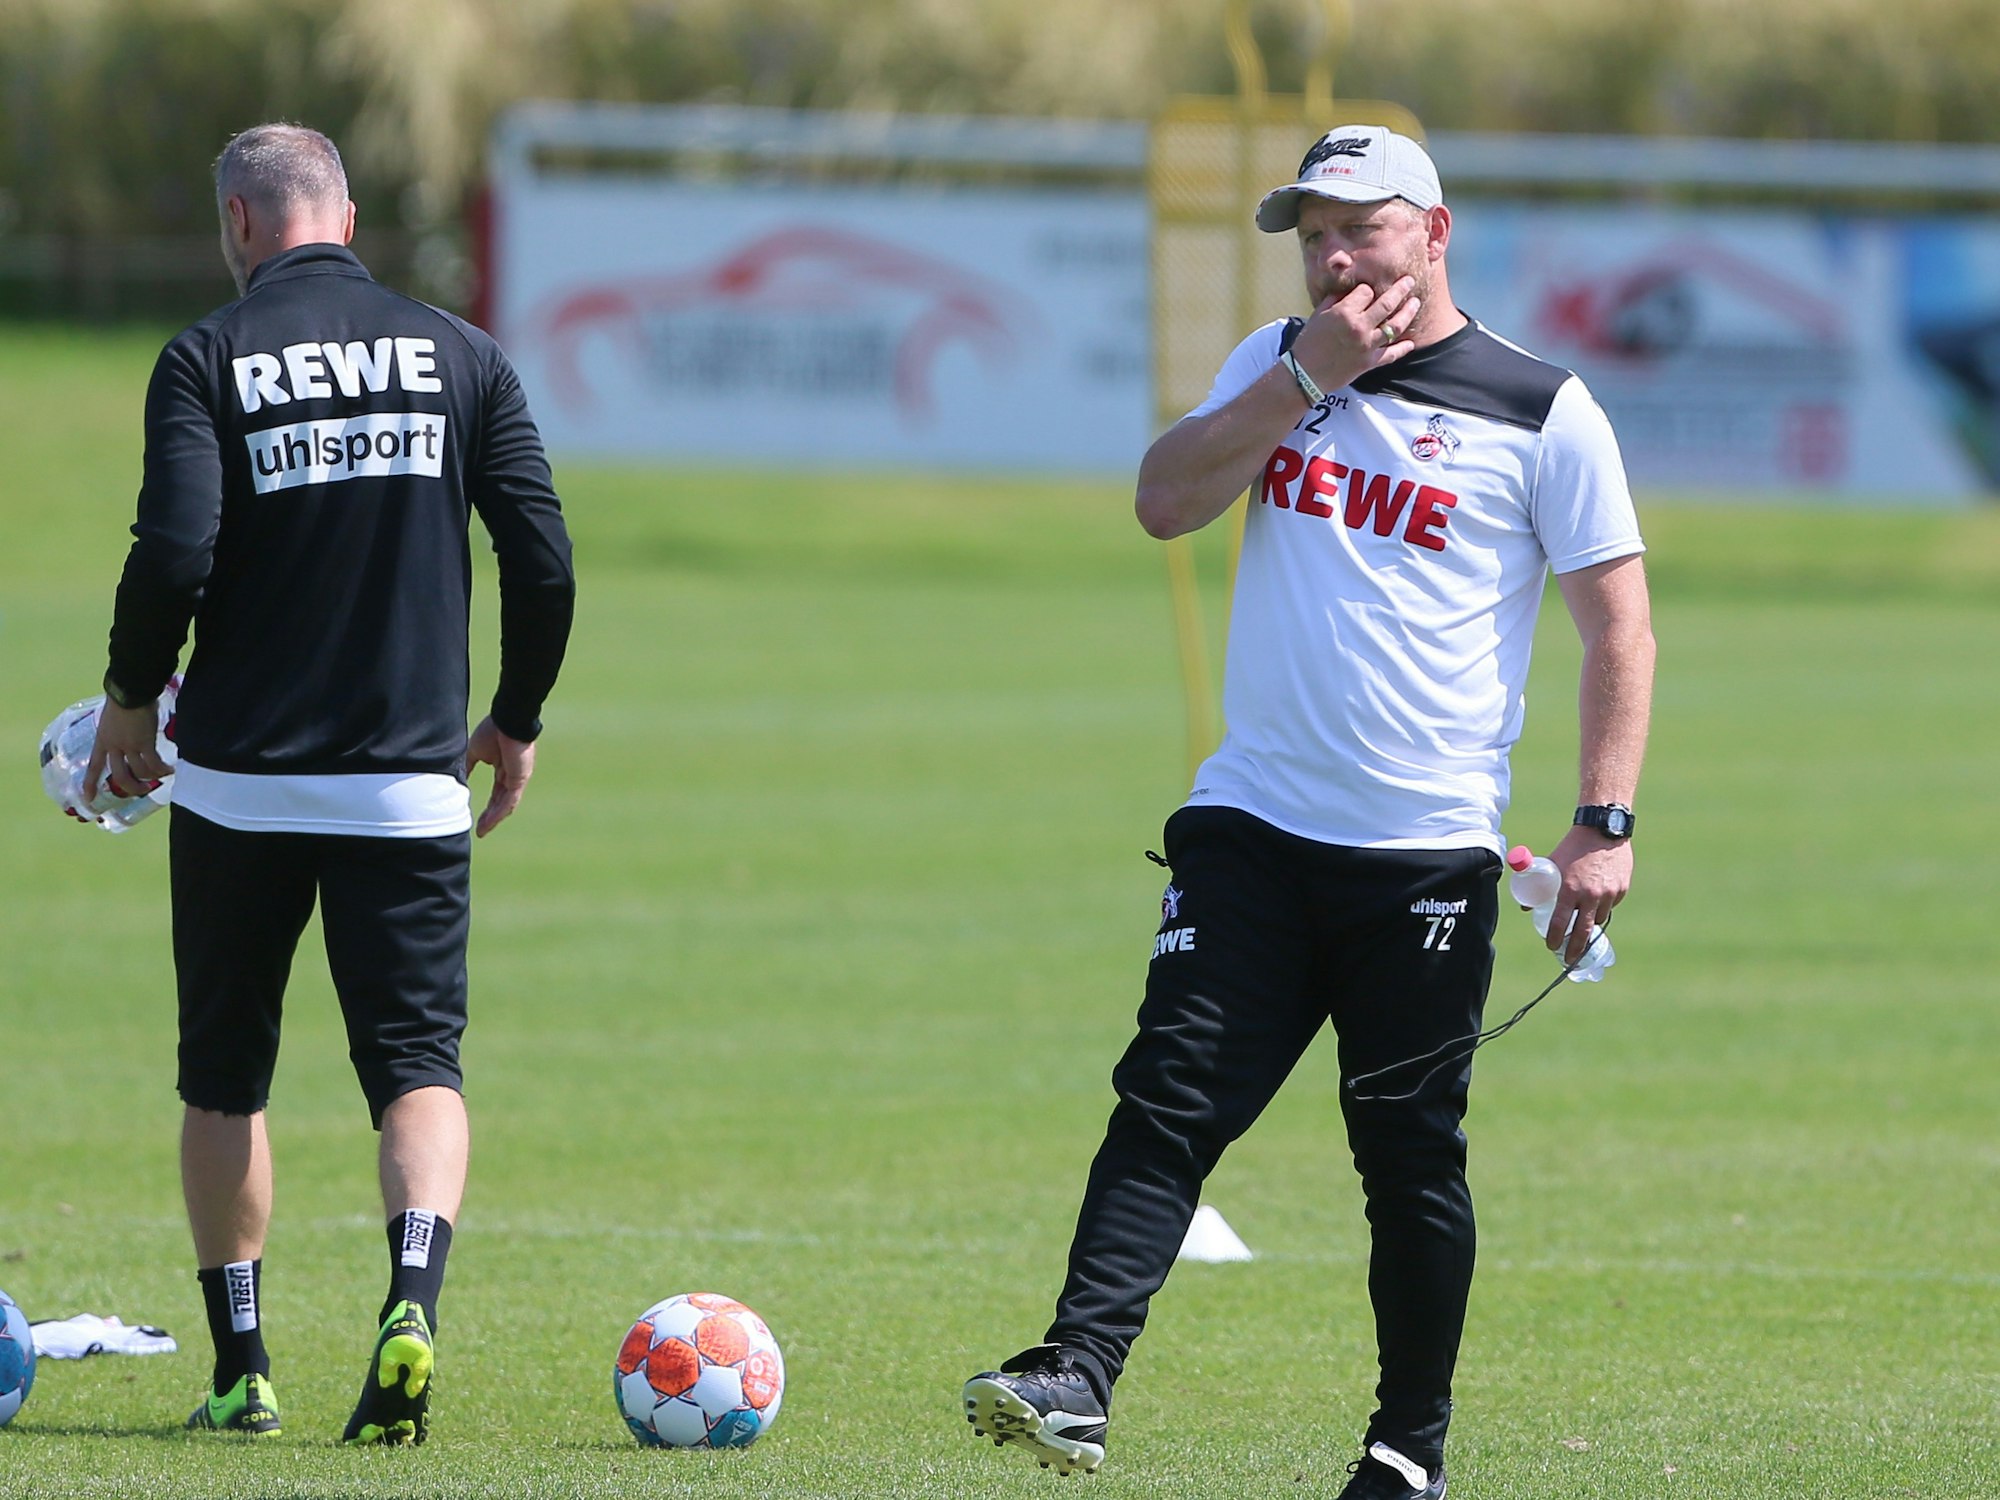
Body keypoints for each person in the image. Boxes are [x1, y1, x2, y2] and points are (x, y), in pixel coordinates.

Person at [961, 125, 1654, 1498]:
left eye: (1362, 228)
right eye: (1313, 233)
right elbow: (1166, 502)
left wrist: (1603, 823)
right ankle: (1075, 1375)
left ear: (1434, 232)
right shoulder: (1278, 366)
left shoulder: (1541, 407)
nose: (1335, 257)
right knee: (1165, 1102)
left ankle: (1409, 1450)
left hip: (1425, 865)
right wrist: (1300, 380)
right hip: (1253, 836)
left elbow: (1617, 624)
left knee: (1406, 1162)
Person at [87, 123, 575, 1445]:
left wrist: (133, 697)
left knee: (225, 1083)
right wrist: (513, 720)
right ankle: (410, 1303)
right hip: (408, 788)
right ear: (346, 216)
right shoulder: (464, 356)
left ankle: (244, 1369)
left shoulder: (208, 357)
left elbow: (178, 547)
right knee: (417, 1071)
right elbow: (543, 562)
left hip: (238, 784)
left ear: (240, 227)